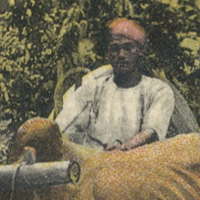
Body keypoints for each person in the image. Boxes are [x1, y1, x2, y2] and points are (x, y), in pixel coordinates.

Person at [55, 18, 176, 152]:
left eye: (128, 48)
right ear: (108, 52)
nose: (121, 55)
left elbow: (151, 132)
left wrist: (123, 148)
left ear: (140, 51)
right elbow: (63, 124)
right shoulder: (93, 86)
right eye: (114, 49)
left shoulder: (158, 90)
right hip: (95, 162)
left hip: (137, 163)